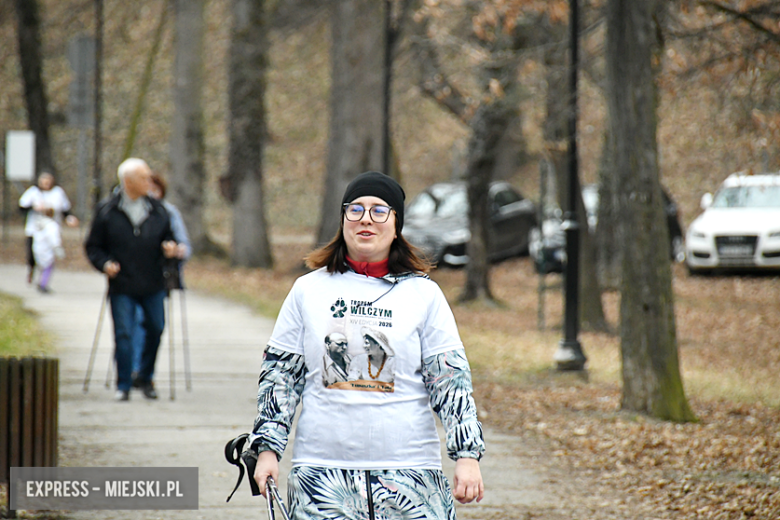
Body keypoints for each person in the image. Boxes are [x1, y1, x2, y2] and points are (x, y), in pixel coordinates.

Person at [249, 171, 485, 519]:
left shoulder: (423, 294)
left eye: (379, 210)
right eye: (355, 209)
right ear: (343, 219)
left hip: (410, 476)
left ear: (396, 223)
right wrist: (268, 449)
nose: (365, 220)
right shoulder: (308, 290)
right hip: (322, 476)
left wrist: (466, 455)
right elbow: (281, 377)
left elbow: (451, 382)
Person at [84, 158, 179, 402]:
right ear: (128, 181)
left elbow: (168, 237)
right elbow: (93, 246)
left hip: (153, 282)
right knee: (124, 334)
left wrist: (170, 248)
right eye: (144, 177)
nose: (150, 181)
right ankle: (123, 383)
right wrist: (105, 264)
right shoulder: (107, 210)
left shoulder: (158, 210)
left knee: (156, 328)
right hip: (122, 283)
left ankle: (145, 378)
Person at [130, 172, 191, 387]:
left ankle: (143, 371)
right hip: (131, 279)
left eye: (156, 189)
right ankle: (135, 369)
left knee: (152, 325)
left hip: (159, 279)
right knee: (135, 323)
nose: (152, 193)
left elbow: (184, 245)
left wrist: (177, 252)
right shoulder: (131, 210)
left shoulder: (168, 212)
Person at [18, 172, 79, 284]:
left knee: (49, 256)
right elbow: (21, 207)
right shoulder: (34, 192)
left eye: (48, 181)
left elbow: (65, 209)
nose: (46, 183)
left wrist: (69, 218)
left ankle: (43, 281)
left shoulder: (58, 193)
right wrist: (34, 207)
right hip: (34, 228)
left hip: (51, 228)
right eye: (43, 181)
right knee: (33, 254)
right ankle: (32, 269)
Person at [31, 208, 65, 294]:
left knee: (42, 266)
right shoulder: (52, 225)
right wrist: (57, 248)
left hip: (37, 247)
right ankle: (43, 284)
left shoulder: (39, 223)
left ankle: (40, 281)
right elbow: (54, 239)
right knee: (48, 267)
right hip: (46, 249)